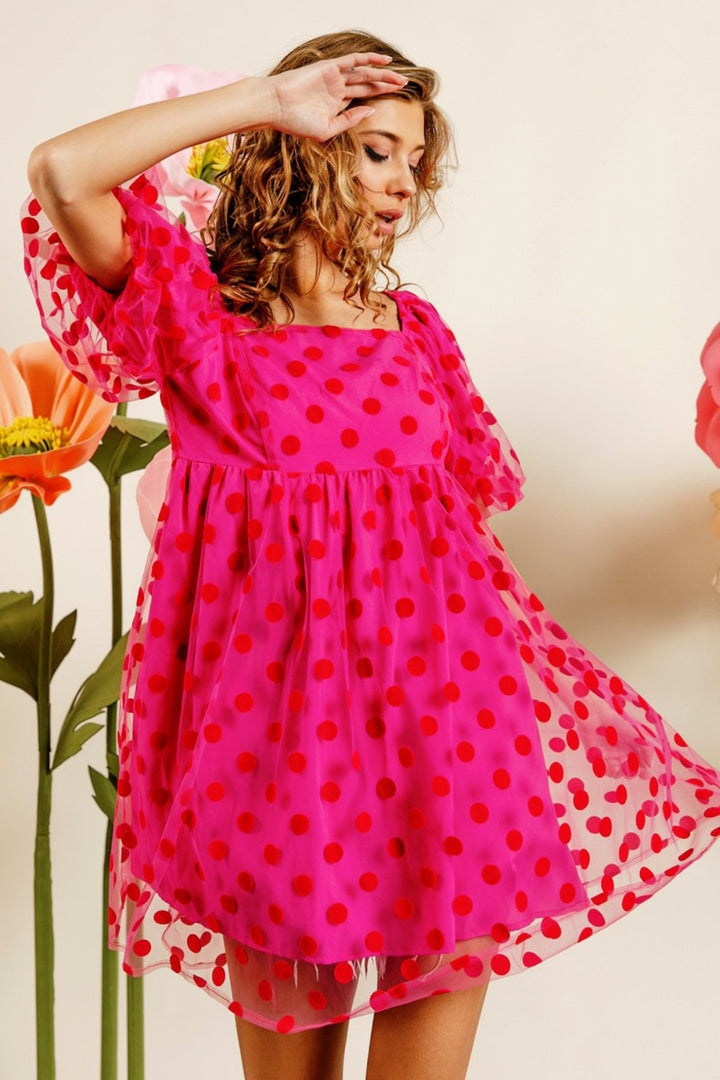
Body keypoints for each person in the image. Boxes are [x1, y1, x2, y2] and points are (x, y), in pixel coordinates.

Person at [21, 28, 720, 1080]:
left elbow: (458, 552)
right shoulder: (198, 324)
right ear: (299, 146)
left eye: (414, 159)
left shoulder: (417, 334)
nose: (404, 184)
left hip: (450, 736)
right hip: (273, 752)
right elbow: (61, 172)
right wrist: (262, 97)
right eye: (376, 150)